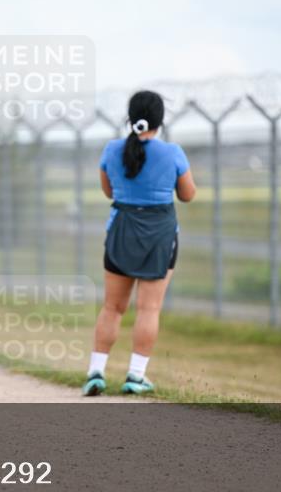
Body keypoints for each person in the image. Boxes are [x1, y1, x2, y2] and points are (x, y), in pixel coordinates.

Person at [83, 90, 196, 396]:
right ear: (160, 120)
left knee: (112, 307)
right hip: (159, 236)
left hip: (120, 231)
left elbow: (109, 192)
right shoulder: (172, 153)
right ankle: (135, 376)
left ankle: (96, 372)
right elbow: (187, 195)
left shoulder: (111, 149)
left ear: (130, 117)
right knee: (149, 309)